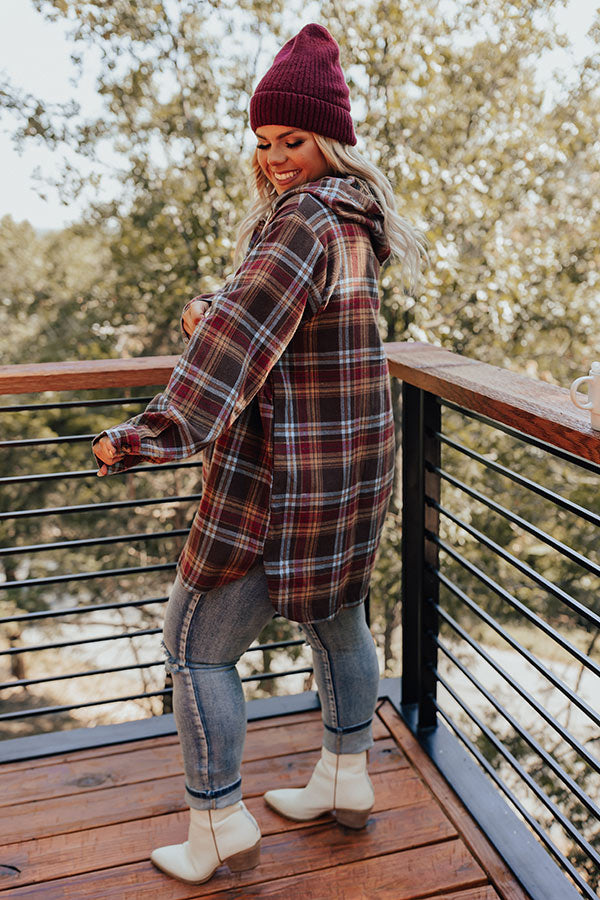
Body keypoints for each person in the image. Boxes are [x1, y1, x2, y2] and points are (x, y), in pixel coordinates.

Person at [92, 22, 427, 887]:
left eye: (295, 141)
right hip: (352, 474)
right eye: (266, 142)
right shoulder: (352, 222)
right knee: (338, 617)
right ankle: (345, 778)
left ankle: (219, 823)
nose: (277, 159)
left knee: (193, 644)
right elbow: (283, 316)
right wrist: (219, 304)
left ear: (331, 142)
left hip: (283, 484)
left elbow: (239, 342)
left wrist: (144, 435)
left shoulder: (302, 221)